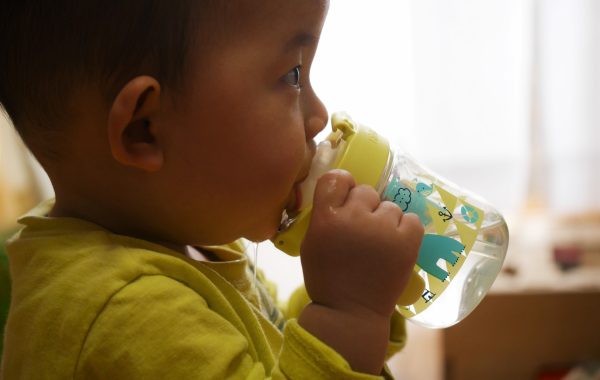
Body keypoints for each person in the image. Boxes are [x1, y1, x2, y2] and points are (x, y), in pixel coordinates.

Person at [0, 0, 424, 378]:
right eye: (292, 75)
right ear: (144, 130)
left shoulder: (186, 247)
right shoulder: (128, 315)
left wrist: (362, 294)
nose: (318, 116)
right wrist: (349, 314)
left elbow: (272, 349)